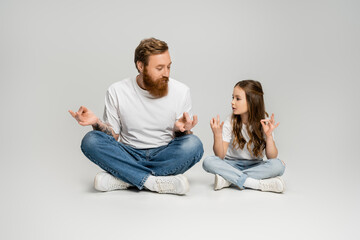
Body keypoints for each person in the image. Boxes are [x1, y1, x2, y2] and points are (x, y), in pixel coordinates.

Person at [69, 38, 203, 195]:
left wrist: (181, 130)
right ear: (141, 66)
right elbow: (113, 136)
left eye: (168, 67)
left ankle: (124, 178)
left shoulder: (181, 91)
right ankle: (153, 182)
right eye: (159, 68)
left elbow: (183, 139)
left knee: (194, 144)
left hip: (164, 153)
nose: (166, 73)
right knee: (91, 140)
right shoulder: (117, 91)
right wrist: (96, 122)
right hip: (128, 153)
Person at [202, 80, 286, 193]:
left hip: (256, 166)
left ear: (252, 101)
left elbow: (272, 157)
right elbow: (220, 156)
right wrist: (217, 135)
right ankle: (254, 183)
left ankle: (229, 180)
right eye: (232, 97)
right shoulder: (230, 121)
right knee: (208, 161)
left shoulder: (264, 123)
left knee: (278, 165)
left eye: (237, 98)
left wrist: (269, 136)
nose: (232, 102)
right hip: (231, 164)